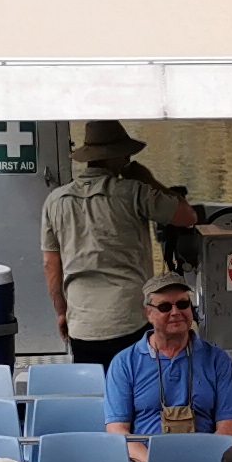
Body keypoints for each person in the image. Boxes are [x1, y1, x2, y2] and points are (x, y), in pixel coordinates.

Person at [40, 121, 194, 365]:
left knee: (96, 395)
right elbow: (188, 217)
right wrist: (149, 180)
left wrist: (62, 312)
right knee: (135, 393)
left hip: (82, 323)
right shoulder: (135, 192)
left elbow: (51, 264)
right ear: (117, 157)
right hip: (130, 320)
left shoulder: (55, 200)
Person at [102, 274, 232, 462]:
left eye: (183, 304)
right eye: (165, 307)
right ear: (148, 314)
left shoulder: (217, 359)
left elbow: (229, 428)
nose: (176, 312)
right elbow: (117, 431)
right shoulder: (124, 362)